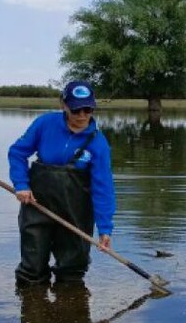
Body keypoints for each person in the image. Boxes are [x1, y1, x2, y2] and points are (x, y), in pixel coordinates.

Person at [8, 80, 115, 286]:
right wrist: (21, 184)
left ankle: (72, 310)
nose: (82, 115)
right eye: (76, 110)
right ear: (63, 105)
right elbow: (17, 152)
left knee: (72, 271)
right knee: (32, 268)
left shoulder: (98, 144)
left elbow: (103, 188)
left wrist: (105, 229)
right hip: (37, 205)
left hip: (76, 213)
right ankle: (32, 309)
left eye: (88, 109)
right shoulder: (44, 123)